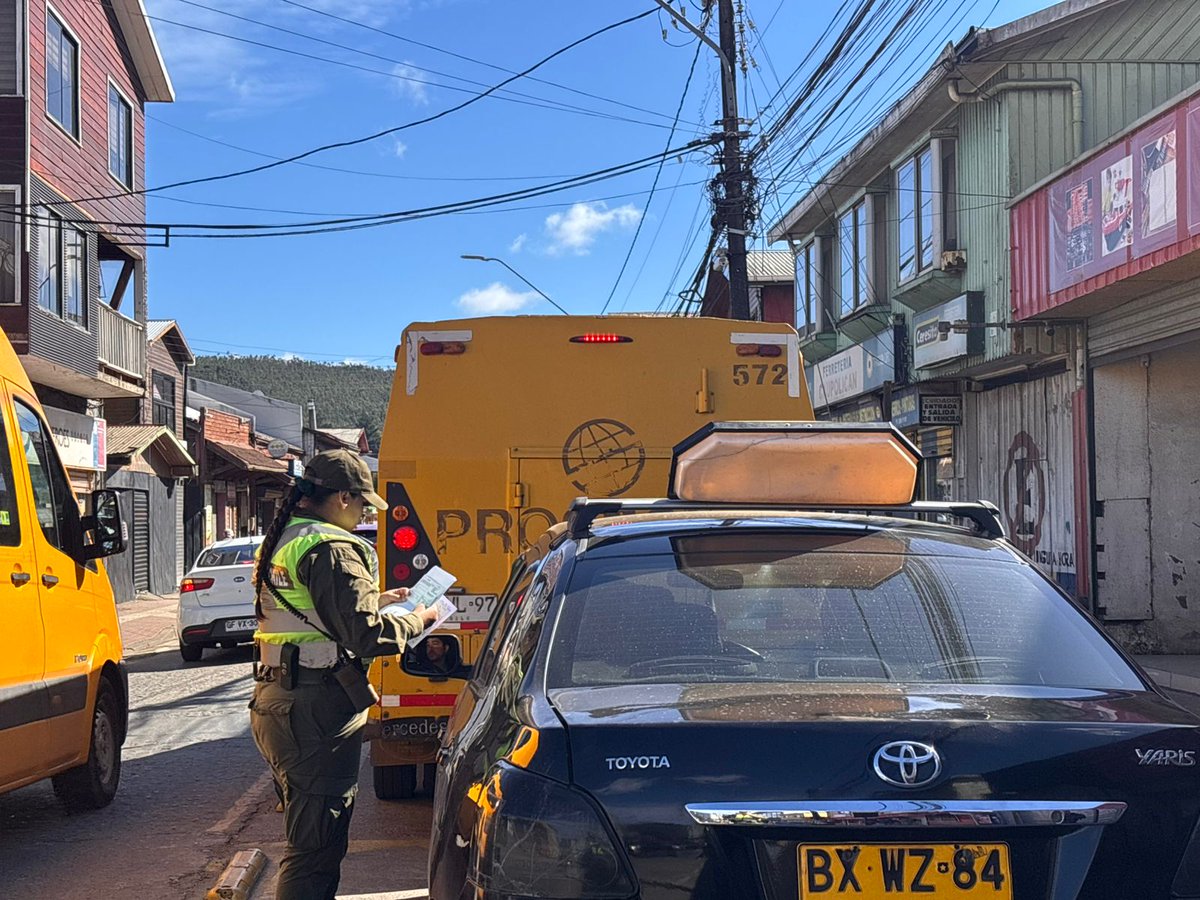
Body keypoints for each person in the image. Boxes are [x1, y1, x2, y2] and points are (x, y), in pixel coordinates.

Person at [248, 448, 440, 900]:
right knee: (314, 852)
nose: (361, 515)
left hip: (280, 700)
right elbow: (367, 636)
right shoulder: (332, 547)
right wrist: (422, 618)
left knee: (310, 843)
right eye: (360, 504)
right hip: (315, 712)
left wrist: (379, 600)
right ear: (340, 498)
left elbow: (315, 614)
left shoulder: (287, 536)